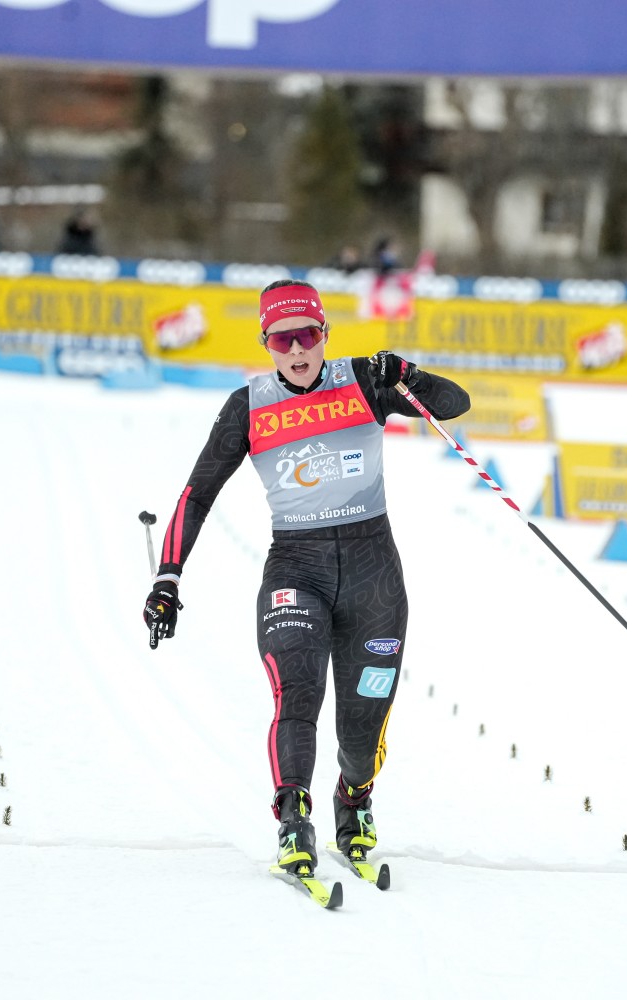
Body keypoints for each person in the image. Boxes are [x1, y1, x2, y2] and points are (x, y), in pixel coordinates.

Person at [142, 279, 470, 882]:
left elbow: (455, 404)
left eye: (308, 335)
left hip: (373, 574)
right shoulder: (248, 405)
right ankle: (294, 818)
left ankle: (354, 798)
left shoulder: (365, 380)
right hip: (297, 568)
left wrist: (408, 375)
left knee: (361, 728)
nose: (297, 350)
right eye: (282, 339)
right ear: (265, 342)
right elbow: (197, 493)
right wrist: (168, 576)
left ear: (325, 334)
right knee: (297, 692)